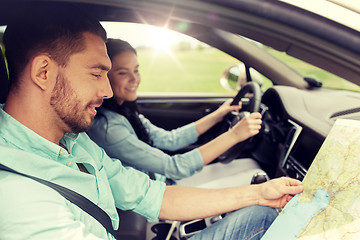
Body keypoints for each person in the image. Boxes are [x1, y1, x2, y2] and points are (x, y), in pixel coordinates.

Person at [0, 6, 303, 240]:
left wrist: (258, 194)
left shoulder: (74, 142)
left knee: (264, 214)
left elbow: (151, 195)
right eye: (96, 73)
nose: (106, 92)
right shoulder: (16, 198)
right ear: (43, 73)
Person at [88, 38, 264, 182]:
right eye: (123, 73)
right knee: (253, 175)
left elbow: (170, 139)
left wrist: (218, 115)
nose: (135, 79)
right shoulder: (108, 127)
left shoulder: (124, 112)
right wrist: (234, 135)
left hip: (161, 182)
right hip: (157, 195)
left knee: (250, 167)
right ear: (104, 77)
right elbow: (174, 167)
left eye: (136, 70)